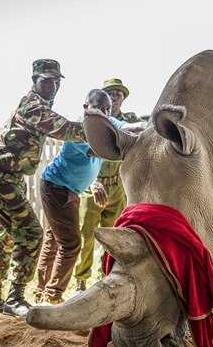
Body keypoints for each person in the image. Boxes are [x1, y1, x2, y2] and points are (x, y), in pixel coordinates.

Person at [0, 59, 87, 317]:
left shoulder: (39, 105)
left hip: (7, 178)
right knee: (31, 234)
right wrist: (105, 130)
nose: (53, 86)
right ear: (35, 80)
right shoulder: (33, 106)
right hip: (1, 177)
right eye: (47, 80)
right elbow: (66, 128)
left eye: (57, 81)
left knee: (1, 240)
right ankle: (15, 298)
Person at [35, 89, 139, 304]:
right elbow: (105, 147)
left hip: (69, 189)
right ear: (86, 108)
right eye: (99, 108)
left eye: (108, 109)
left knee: (54, 240)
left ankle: (41, 291)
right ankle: (52, 296)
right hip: (57, 187)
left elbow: (126, 126)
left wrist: (147, 128)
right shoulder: (79, 130)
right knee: (70, 243)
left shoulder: (107, 123)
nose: (104, 113)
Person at [73, 78, 144, 291]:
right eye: (110, 93)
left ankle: (108, 278)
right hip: (92, 186)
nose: (114, 97)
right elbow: (76, 157)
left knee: (115, 236)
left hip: (118, 188)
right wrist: (92, 182)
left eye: (118, 94)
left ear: (123, 99)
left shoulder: (129, 121)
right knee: (86, 236)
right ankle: (81, 283)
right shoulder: (87, 123)